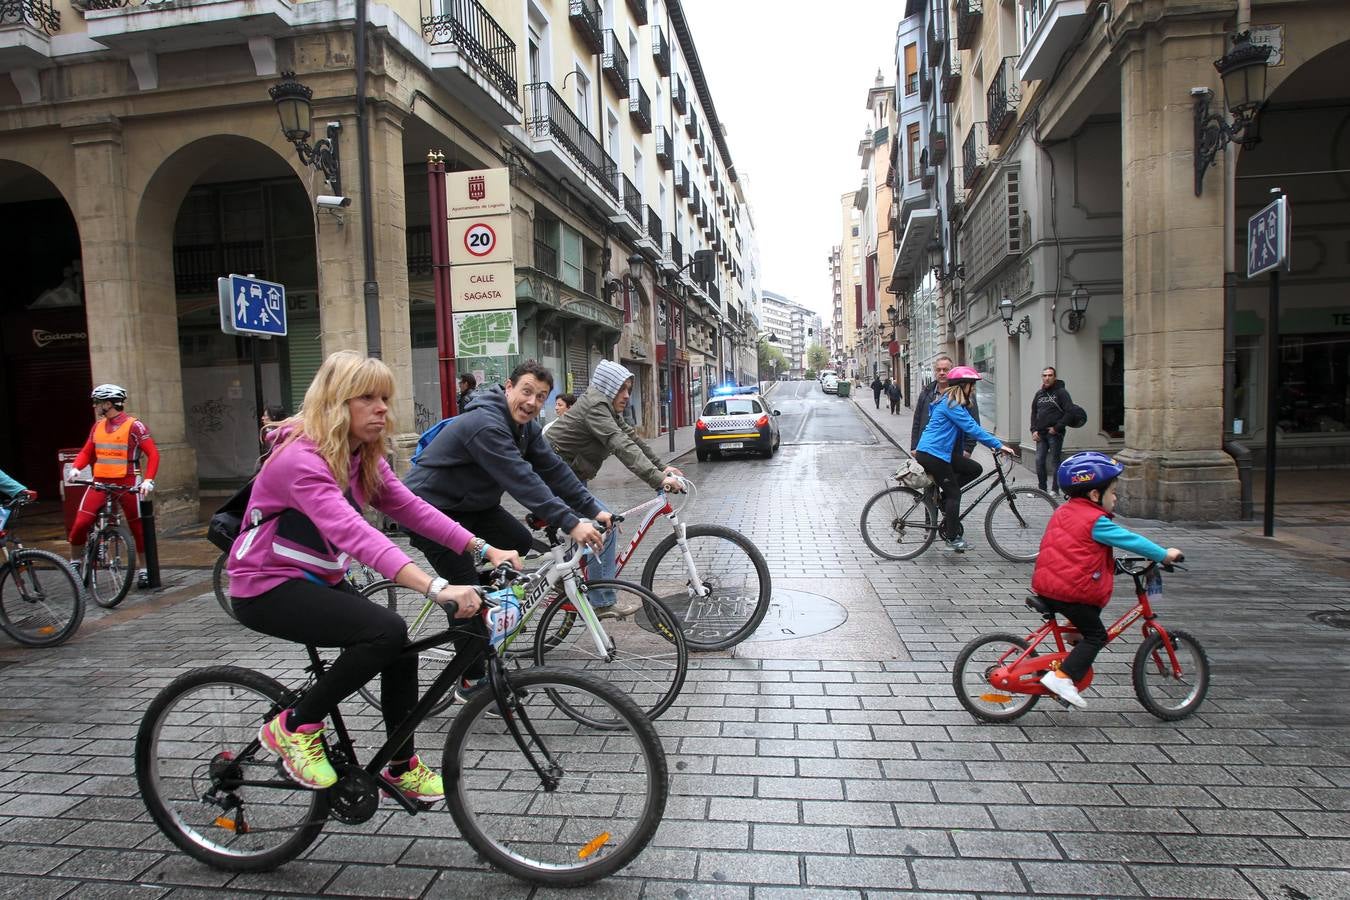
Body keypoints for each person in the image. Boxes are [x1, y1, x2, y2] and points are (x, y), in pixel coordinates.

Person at [227, 350, 520, 799]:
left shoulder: (359, 454)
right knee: (384, 631)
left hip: (315, 577)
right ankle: (294, 726)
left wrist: (483, 547)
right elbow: (355, 534)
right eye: (367, 398)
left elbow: (411, 508)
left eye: (384, 397)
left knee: (399, 649)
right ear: (334, 403)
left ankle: (399, 767)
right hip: (266, 583)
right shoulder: (299, 460)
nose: (382, 407)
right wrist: (436, 587)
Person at [404, 360, 613, 691]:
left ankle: (487, 607)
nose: (531, 402)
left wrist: (594, 508)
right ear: (509, 388)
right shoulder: (486, 424)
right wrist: (571, 522)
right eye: (526, 391)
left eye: (540, 396)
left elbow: (553, 469)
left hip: (474, 506)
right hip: (431, 509)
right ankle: (471, 679)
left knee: (517, 541)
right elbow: (522, 479)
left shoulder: (526, 428)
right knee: (466, 589)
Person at [1032, 452, 1182, 708]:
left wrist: (1111, 565)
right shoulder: (1096, 521)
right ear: (1094, 495)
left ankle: (1073, 637)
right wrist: (1163, 554)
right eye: (1113, 491)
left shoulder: (1066, 511)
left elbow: (1075, 552)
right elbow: (1131, 540)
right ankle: (1063, 677)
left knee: (1084, 616)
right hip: (1069, 590)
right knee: (1097, 636)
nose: (1116, 497)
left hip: (1051, 584)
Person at [545, 360, 686, 612]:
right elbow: (619, 445)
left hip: (572, 474)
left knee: (595, 528)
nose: (626, 395)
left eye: (629, 389)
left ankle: (574, 581)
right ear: (609, 388)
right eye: (622, 389)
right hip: (555, 473)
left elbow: (630, 438)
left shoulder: (607, 407)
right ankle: (600, 602)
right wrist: (658, 479)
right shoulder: (596, 407)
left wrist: (661, 468)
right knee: (604, 526)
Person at [914, 366, 1017, 552]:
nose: (974, 390)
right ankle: (952, 538)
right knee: (955, 494)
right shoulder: (951, 404)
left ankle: (946, 499)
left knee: (974, 469)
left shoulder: (950, 402)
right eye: (972, 386)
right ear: (963, 386)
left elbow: (962, 432)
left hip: (938, 452)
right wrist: (999, 445)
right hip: (933, 454)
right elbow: (972, 428)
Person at [66, 384, 160, 584]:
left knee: (138, 529)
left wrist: (149, 479)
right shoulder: (97, 426)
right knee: (81, 523)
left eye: (98, 403)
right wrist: (76, 467)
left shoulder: (135, 426)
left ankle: (144, 569)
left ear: (108, 404)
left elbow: (153, 454)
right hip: (100, 481)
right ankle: (75, 561)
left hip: (127, 482)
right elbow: (86, 451)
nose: (95, 406)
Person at [910, 354, 981, 456]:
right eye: (938, 370)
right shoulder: (926, 392)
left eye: (945, 370)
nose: (941, 373)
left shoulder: (963, 394)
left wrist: (968, 448)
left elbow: (974, 422)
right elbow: (917, 420)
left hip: (953, 450)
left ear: (951, 372)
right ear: (934, 372)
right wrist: (914, 446)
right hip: (927, 449)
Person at [1029, 367, 1074, 497]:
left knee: (1055, 461)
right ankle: (1041, 489)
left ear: (1054, 377)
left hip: (1055, 434)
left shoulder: (1061, 393)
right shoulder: (1039, 394)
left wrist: (1057, 427)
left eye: (1050, 375)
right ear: (1042, 377)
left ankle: (1055, 489)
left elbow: (1070, 412)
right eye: (1044, 375)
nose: (1047, 378)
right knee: (1039, 460)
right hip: (1041, 434)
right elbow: (1034, 412)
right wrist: (1033, 430)